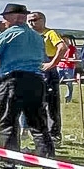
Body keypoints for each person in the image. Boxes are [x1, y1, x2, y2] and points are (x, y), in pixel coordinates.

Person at [0, 4, 56, 169]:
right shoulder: (36, 37)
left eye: (5, 16)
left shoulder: (8, 34)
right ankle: (51, 168)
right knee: (39, 125)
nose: (3, 20)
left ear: (13, 17)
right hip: (35, 81)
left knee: (8, 125)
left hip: (13, 81)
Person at [28, 12, 66, 147]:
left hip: (48, 71)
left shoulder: (50, 34)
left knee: (51, 105)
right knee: (37, 104)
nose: (32, 23)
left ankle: (54, 135)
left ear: (43, 20)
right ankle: (41, 134)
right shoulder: (30, 35)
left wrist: (52, 63)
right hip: (35, 71)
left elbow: (62, 47)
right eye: (29, 21)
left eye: (34, 20)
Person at [59, 34, 77, 103]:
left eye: (65, 39)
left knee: (69, 82)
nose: (64, 41)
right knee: (57, 81)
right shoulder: (60, 47)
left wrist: (67, 59)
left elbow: (75, 58)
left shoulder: (72, 48)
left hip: (68, 67)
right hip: (59, 66)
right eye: (62, 39)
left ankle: (68, 97)